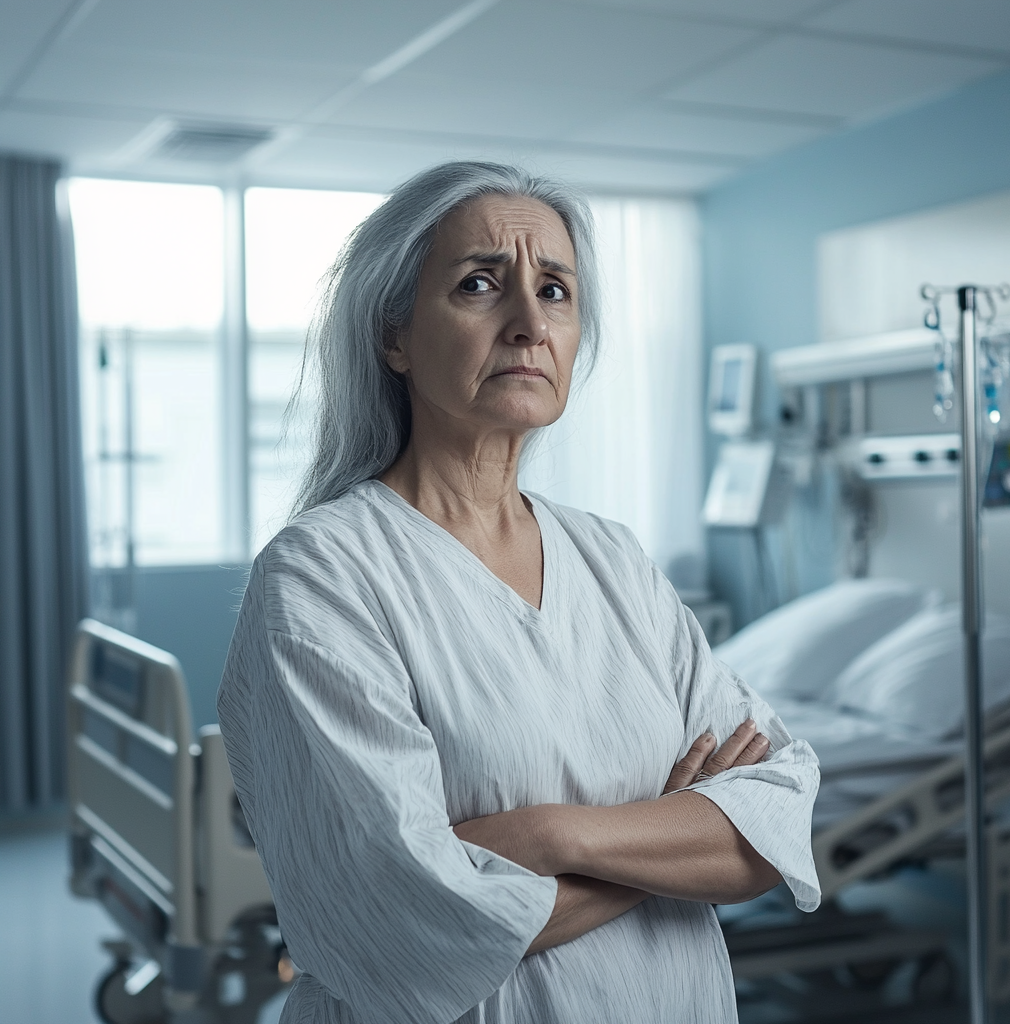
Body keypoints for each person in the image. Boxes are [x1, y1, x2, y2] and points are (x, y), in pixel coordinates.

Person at [217, 161, 820, 1024]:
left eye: (556, 291)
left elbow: (776, 817)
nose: (530, 324)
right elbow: (394, 919)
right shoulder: (322, 576)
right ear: (394, 335)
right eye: (478, 285)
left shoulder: (614, 560)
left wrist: (546, 837)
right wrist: (671, 831)